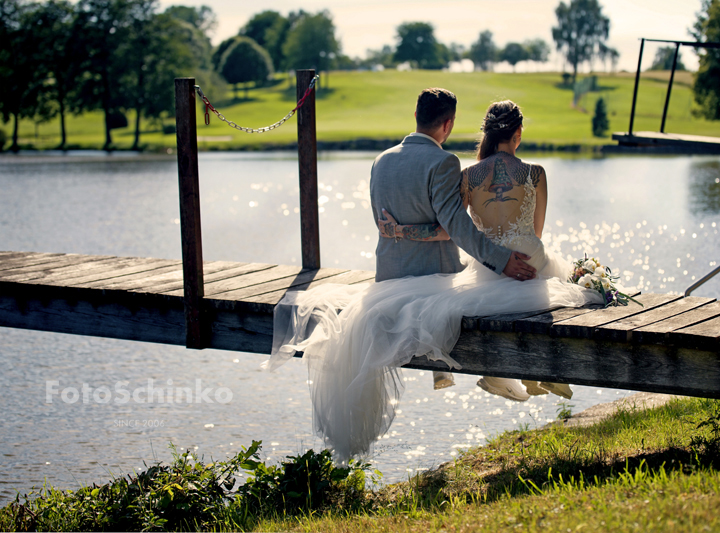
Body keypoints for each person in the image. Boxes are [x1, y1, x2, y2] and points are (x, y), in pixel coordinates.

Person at [266, 97, 602, 464]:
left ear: (415, 116)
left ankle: (463, 373)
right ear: (448, 125)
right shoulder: (460, 163)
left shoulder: (385, 161)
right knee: (529, 287)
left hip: (392, 273)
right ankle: (530, 373)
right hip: (481, 265)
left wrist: (404, 231)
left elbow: (416, 224)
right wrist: (503, 257)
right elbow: (466, 227)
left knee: (451, 303)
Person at [377, 99, 575, 402]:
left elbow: (449, 230)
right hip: (528, 256)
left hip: (489, 264)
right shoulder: (536, 173)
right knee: (548, 281)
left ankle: (500, 374)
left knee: (483, 293)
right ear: (518, 133)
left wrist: (399, 231)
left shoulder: (468, 175)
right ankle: (539, 374)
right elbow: (537, 231)